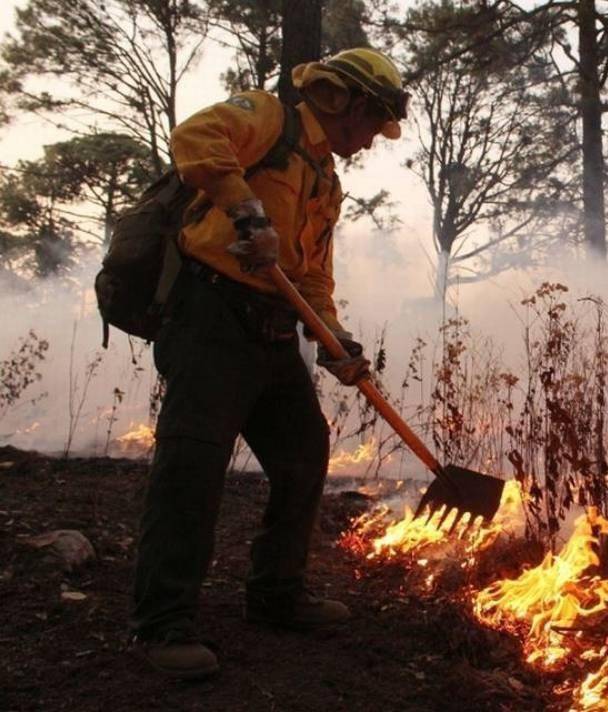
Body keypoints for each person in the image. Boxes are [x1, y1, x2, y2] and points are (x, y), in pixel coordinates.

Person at [129, 47, 409, 679]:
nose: (371, 141)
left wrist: (337, 342)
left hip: (274, 334)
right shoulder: (267, 117)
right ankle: (162, 625)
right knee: (193, 467)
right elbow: (196, 136)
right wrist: (246, 210)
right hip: (211, 318)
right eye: (374, 126)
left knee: (304, 455)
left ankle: (276, 595)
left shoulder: (326, 182)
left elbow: (311, 280)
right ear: (349, 104)